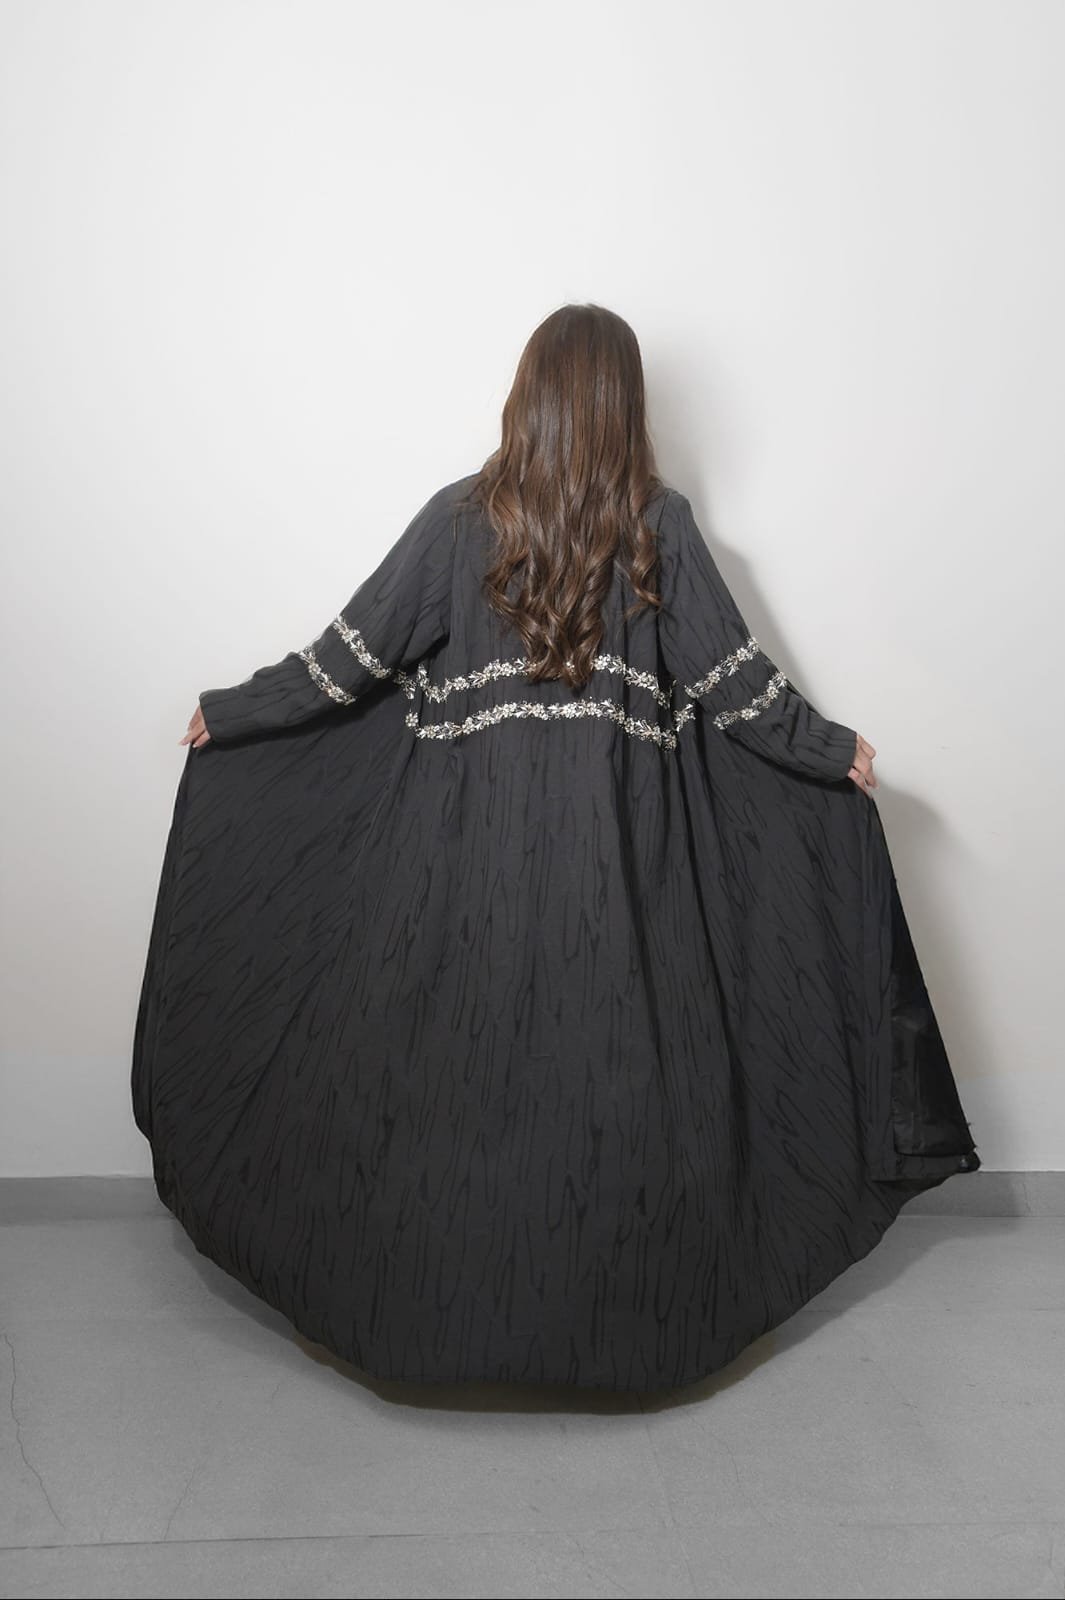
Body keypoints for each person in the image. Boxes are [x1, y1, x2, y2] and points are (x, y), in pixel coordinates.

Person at [133, 303, 979, 1392]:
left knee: (453, 1081)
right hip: (619, 874)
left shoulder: (460, 520)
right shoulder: (656, 526)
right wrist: (827, 750)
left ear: (527, 394)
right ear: (624, 404)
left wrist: (237, 712)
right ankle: (629, 1338)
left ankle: (430, 1328)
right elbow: (735, 687)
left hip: (464, 868)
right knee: (616, 1086)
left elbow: (343, 664)